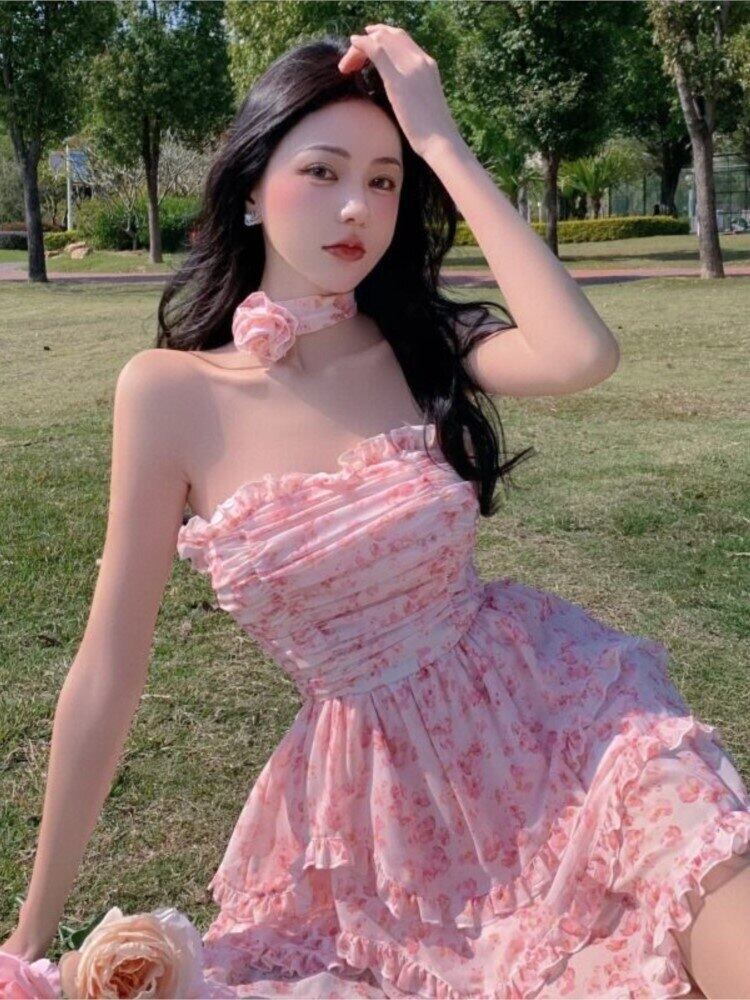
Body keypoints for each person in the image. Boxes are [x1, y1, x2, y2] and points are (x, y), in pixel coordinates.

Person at [4, 24, 750, 1000]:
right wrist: (29, 931)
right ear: (250, 186)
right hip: (384, 815)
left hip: (558, 720)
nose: (358, 205)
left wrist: (441, 138)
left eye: (386, 180)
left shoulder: (421, 339)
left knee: (708, 881)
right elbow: (109, 669)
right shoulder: (169, 393)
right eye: (323, 171)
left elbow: (581, 354)